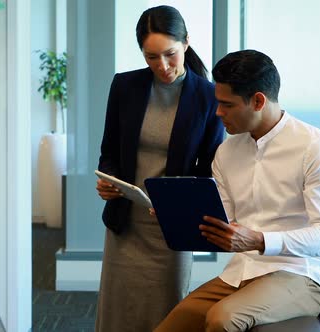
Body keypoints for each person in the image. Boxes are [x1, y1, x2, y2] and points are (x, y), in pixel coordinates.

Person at [154, 49, 320, 332]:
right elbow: (225, 219)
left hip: (299, 275)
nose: (218, 112)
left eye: (227, 105)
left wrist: (259, 240)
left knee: (223, 318)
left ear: (258, 101)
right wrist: (177, 212)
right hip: (240, 273)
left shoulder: (317, 147)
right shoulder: (226, 152)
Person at [95, 5, 225, 332]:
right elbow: (109, 149)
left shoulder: (208, 97)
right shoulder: (125, 87)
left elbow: (209, 168)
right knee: (118, 308)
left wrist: (183, 204)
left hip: (172, 223)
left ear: (186, 44)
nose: (162, 66)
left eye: (170, 54)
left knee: (167, 311)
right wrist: (107, 181)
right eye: (151, 57)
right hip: (126, 218)